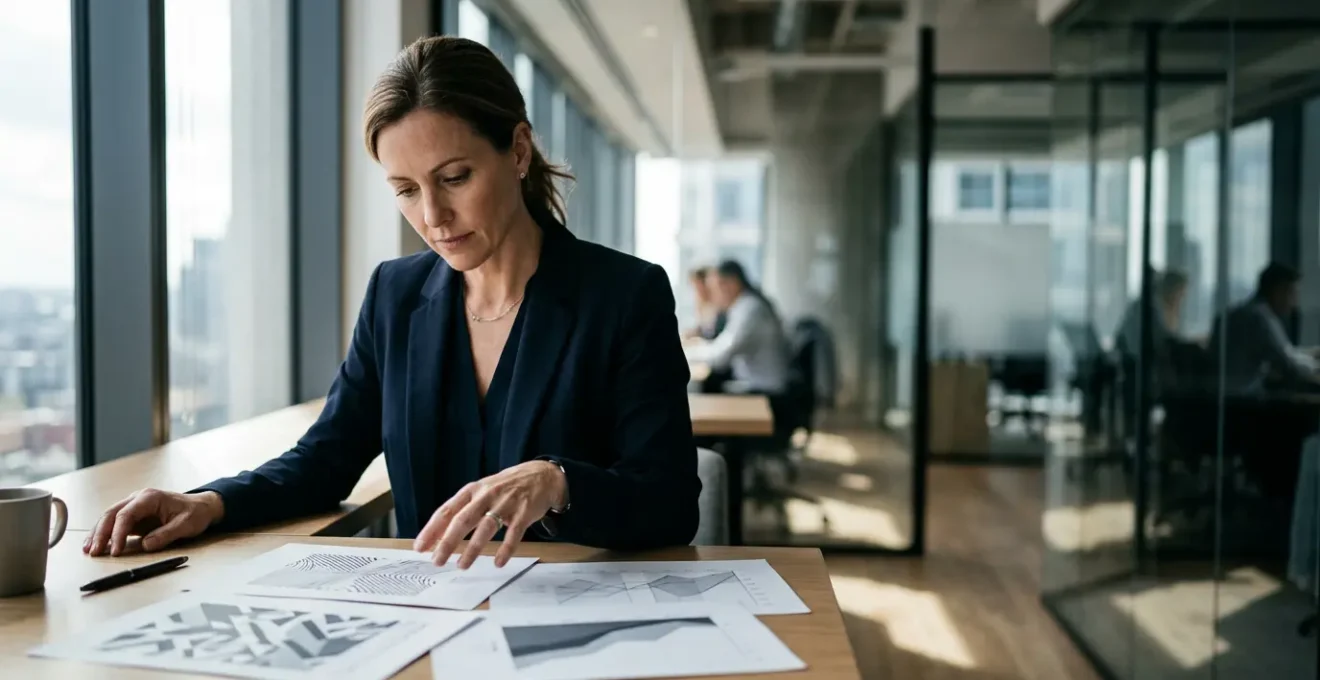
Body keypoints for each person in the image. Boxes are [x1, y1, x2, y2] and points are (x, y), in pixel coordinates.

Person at [83, 36, 700, 568]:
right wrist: (210, 503)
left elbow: (670, 503)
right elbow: (325, 459)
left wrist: (558, 483)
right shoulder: (395, 296)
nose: (432, 218)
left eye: (454, 178)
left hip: (579, 621)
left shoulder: (624, 295)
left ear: (517, 151)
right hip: (426, 614)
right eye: (406, 190)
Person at [1212, 262, 1319, 394]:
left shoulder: (1243, 312)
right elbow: (1289, 364)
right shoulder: (1260, 318)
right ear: (1278, 291)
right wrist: (1316, 366)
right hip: (1242, 400)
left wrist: (1311, 354)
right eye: (1293, 293)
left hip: (1224, 397)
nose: (1295, 303)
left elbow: (1283, 352)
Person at [685, 260, 790, 395]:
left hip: (766, 391)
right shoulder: (745, 306)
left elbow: (721, 356)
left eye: (715, 288)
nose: (713, 296)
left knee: (700, 392)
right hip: (753, 383)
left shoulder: (750, 310)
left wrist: (685, 353)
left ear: (732, 284)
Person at [682, 267, 725, 341]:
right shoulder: (700, 304)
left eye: (698, 286)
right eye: (694, 287)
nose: (697, 290)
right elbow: (702, 328)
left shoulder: (720, 304)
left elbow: (715, 333)